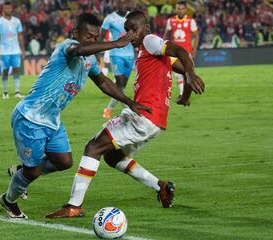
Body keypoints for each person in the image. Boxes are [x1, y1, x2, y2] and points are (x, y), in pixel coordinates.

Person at [45, 10, 205, 219]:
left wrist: (191, 75)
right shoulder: (148, 51)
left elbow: (181, 51)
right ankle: (161, 187)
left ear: (145, 28)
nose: (130, 34)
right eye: (127, 30)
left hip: (143, 116)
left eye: (133, 29)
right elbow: (182, 66)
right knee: (113, 156)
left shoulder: (150, 41)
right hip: (154, 120)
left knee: (93, 147)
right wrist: (185, 95)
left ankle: (73, 206)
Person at [0, 13, 150, 219]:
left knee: (64, 162)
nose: (92, 40)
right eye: (89, 36)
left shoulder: (89, 61)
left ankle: (23, 170)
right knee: (32, 173)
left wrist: (130, 102)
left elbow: (104, 82)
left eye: (95, 37)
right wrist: (116, 43)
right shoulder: (68, 47)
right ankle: (9, 202)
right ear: (75, 33)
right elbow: (78, 49)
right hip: (30, 118)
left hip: (52, 120)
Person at [101, 0, 135, 119]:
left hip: (130, 55)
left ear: (127, 4)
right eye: (119, 3)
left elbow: (139, 33)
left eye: (123, 3)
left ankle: (108, 108)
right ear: (116, 4)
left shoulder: (132, 17)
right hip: (116, 54)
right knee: (120, 83)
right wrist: (96, 51)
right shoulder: (110, 18)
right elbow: (101, 36)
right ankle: (127, 108)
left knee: (122, 86)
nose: (121, 5)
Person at [163, 1, 199, 100]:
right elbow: (166, 34)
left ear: (186, 10)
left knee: (189, 72)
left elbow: (196, 36)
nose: (181, 11)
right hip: (174, 53)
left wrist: (194, 50)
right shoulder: (171, 20)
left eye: (183, 9)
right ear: (176, 9)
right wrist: (163, 46)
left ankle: (187, 93)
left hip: (187, 52)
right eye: (179, 9)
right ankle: (182, 93)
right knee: (178, 74)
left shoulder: (190, 21)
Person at [0, 1, 25, 99]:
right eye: (6, 8)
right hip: (4, 51)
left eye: (9, 8)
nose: (8, 9)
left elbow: (20, 35)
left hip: (15, 50)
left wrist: (23, 49)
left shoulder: (17, 21)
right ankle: (5, 92)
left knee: (16, 71)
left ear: (12, 9)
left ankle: (17, 92)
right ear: (3, 9)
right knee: (5, 71)